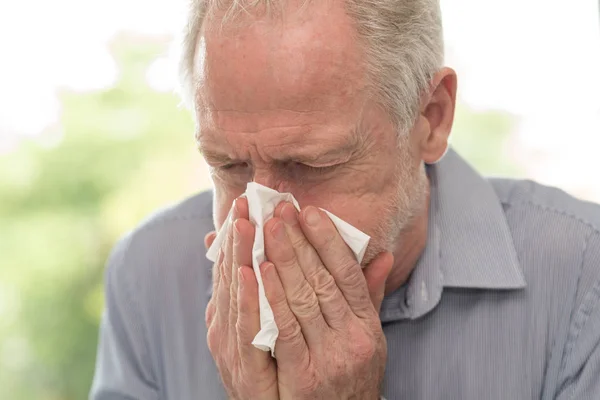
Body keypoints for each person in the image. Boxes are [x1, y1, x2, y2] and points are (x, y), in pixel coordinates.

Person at [90, 0, 600, 399]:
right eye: (229, 165)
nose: (265, 217)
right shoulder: (149, 278)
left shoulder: (581, 280)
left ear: (431, 117)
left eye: (312, 166)